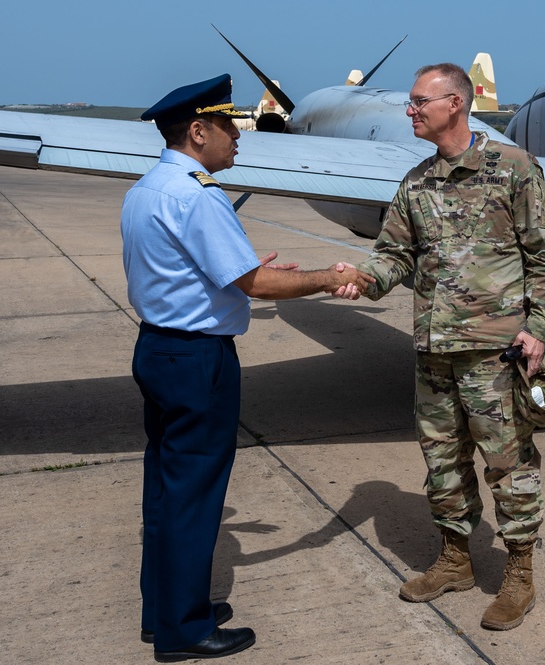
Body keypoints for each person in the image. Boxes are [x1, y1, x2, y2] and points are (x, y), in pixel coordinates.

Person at [121, 73, 373, 662]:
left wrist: (236, 270)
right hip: (196, 359)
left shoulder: (148, 188)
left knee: (164, 489)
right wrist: (330, 278)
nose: (239, 136)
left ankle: (163, 612)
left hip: (158, 348)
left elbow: (183, 271)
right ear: (199, 130)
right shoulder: (199, 195)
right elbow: (255, 285)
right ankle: (184, 631)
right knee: (194, 494)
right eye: (229, 126)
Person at [352, 63, 545, 631]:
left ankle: (519, 574)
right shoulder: (416, 182)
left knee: (508, 463)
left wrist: (538, 331)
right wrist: (353, 278)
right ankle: (455, 560)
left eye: (420, 101)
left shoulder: (514, 169)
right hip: (433, 353)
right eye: (411, 101)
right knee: (442, 462)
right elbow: (394, 256)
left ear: (455, 103)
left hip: (494, 355)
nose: (410, 110)